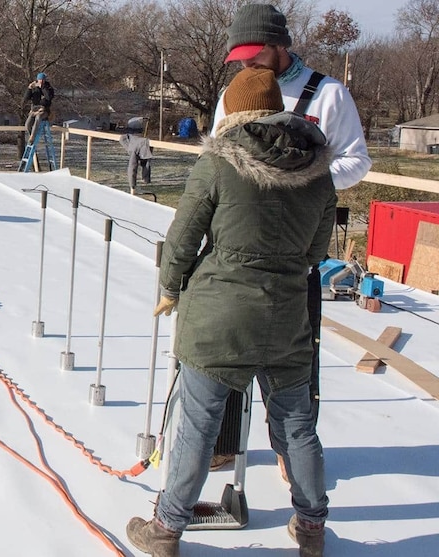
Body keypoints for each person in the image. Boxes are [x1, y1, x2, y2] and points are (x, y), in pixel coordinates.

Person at [126, 68, 335, 557]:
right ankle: (311, 526)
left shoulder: (219, 162)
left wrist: (171, 287)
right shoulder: (317, 171)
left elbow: (183, 237)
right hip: (287, 316)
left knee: (198, 424)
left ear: (235, 113)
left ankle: (166, 529)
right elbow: (314, 252)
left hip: (219, 315)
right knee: (297, 426)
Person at [208, 2, 372, 477]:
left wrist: (305, 176)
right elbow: (218, 157)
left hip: (296, 249)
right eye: (239, 57)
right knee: (227, 347)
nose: (246, 65)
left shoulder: (327, 96)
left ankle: (291, 450)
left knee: (296, 360)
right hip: (238, 244)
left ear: (281, 47)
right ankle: (223, 443)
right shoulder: (232, 93)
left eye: (255, 55)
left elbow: (356, 161)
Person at [22, 72, 57, 170]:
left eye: (42, 80)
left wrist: (42, 88)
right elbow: (26, 99)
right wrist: (29, 89)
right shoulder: (35, 88)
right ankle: (31, 136)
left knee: (38, 118)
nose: (40, 82)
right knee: (28, 124)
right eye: (39, 80)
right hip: (35, 110)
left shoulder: (48, 88)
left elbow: (48, 98)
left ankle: (33, 136)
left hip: (44, 111)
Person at [118, 127, 153, 195]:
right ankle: (133, 185)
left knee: (138, 164)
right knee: (133, 166)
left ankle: (139, 182)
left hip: (138, 145)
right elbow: (132, 167)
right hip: (136, 146)